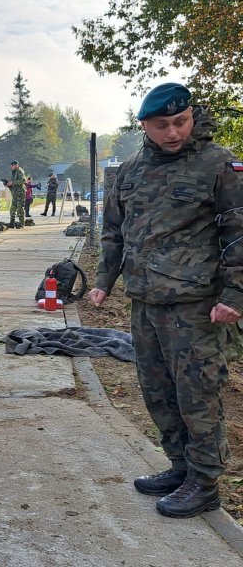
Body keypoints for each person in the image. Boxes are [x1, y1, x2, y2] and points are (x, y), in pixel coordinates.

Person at [88, 82, 243, 519]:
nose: (173, 132)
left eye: (181, 121)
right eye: (162, 125)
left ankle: (205, 483)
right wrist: (103, 280)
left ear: (192, 116)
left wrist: (235, 293)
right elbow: (114, 231)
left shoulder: (220, 164)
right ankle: (180, 467)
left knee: (197, 393)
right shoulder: (130, 170)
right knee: (157, 391)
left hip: (197, 306)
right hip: (145, 301)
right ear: (144, 125)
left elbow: (239, 233)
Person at [6, 160, 27, 228]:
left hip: (20, 194)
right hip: (15, 194)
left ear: (16, 165)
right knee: (12, 209)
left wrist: (12, 183)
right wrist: (8, 184)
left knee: (19, 209)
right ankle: (12, 222)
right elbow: (13, 182)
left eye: (12, 166)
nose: (11, 167)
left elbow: (23, 180)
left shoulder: (20, 171)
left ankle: (21, 223)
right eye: (11, 166)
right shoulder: (14, 172)